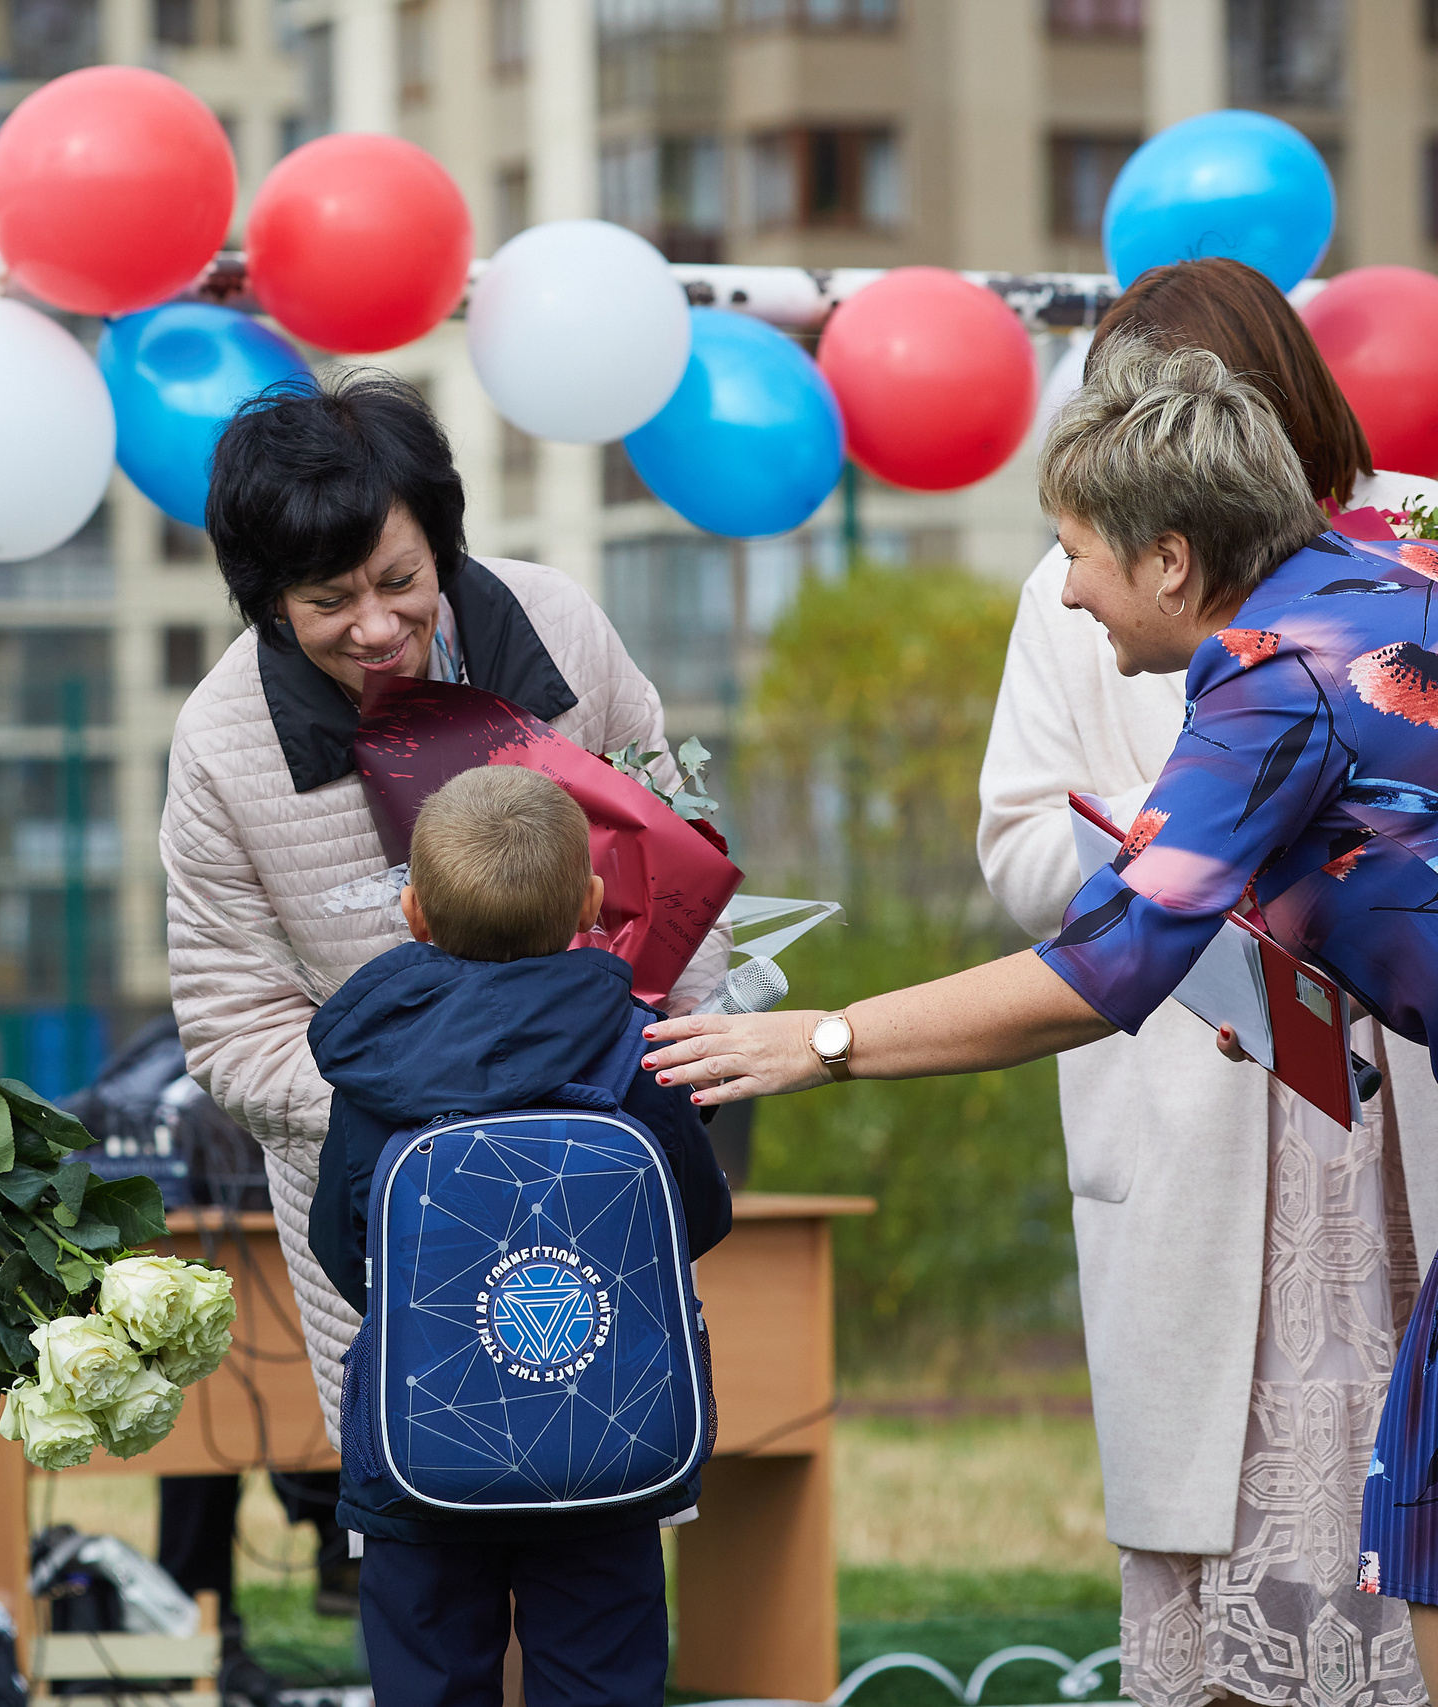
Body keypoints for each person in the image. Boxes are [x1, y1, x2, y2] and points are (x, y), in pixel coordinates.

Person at [642, 336, 1438, 1698]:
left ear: (1173, 560)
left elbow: (1105, 965)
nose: (1066, 590)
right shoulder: (1385, 581)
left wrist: (820, 1039)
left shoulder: (1276, 676)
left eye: (1076, 551)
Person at [977, 256, 1438, 1707]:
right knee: (1225, 1510)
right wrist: (1168, 831)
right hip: (1204, 1074)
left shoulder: (1406, 545)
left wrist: (835, 1035)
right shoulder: (1083, 574)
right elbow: (1025, 847)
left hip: (1389, 1098)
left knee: (1405, 1488)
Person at [162, 374, 727, 1450]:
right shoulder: (222, 745)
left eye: (400, 581)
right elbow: (234, 1027)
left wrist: (659, 1088)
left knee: (605, 1492)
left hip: (597, 1168)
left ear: (443, 544)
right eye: (328, 602)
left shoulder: (557, 627)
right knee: (427, 1526)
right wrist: (425, 1126)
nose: (377, 627)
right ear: (267, 600)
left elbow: (679, 861)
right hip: (384, 1210)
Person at [306, 766, 731, 1706]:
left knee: (429, 1685)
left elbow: (344, 1243)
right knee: (602, 1681)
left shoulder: (376, 1062)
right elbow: (694, 1220)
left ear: (413, 911)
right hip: (602, 1442)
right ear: (590, 903)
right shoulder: (635, 1048)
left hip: (418, 1446)